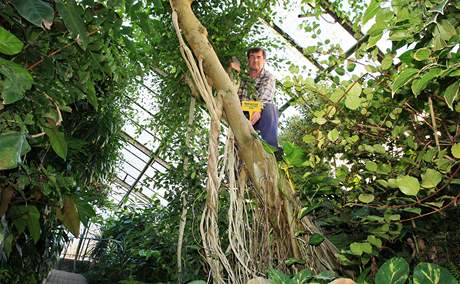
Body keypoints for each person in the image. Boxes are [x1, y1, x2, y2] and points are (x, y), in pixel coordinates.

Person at [238, 47, 279, 150]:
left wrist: (258, 109)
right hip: (241, 114)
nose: (255, 60)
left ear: (264, 60)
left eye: (258, 57)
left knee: (270, 108)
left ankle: (271, 147)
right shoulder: (242, 77)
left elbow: (265, 97)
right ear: (248, 60)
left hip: (259, 115)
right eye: (252, 57)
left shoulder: (268, 77)